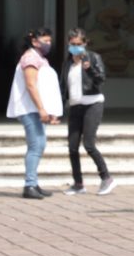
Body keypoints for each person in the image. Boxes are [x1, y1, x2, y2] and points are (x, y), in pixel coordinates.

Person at [6, 28, 63, 199]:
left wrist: (48, 110)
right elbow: (31, 85)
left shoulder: (40, 58)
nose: (49, 44)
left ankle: (33, 182)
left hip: (35, 109)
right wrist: (41, 109)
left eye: (50, 41)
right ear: (34, 41)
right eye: (45, 40)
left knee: (39, 144)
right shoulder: (30, 58)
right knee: (36, 146)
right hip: (30, 109)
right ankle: (29, 185)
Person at [59, 28, 116, 196]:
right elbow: (63, 87)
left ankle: (106, 178)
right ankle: (78, 184)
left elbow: (101, 80)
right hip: (75, 106)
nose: (75, 47)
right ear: (68, 43)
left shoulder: (93, 57)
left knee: (89, 144)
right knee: (72, 147)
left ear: (85, 43)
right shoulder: (67, 63)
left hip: (93, 104)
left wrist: (89, 69)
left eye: (79, 44)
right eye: (72, 44)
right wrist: (58, 110)